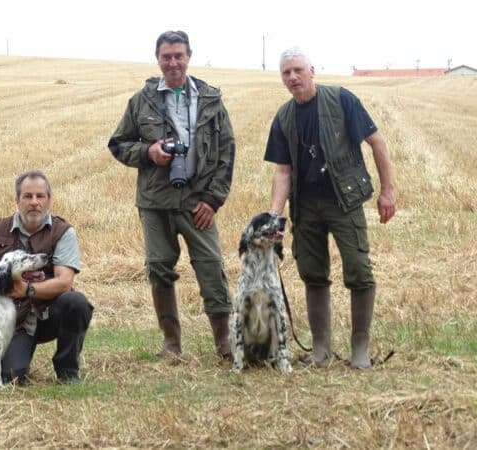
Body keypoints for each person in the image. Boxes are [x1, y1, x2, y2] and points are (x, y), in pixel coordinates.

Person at [264, 47, 396, 369]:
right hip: (306, 206)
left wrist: (387, 191)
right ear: (282, 79)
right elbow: (283, 172)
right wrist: (274, 216)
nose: (293, 77)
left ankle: (360, 350)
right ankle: (320, 350)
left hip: (343, 201)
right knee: (312, 272)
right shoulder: (283, 117)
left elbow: (377, 142)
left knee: (358, 270)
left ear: (312, 71)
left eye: (298, 70)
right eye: (286, 73)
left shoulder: (341, 100)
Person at [108, 30, 236, 358]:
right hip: (156, 201)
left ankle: (223, 342)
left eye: (179, 55)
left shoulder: (210, 98)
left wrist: (213, 199)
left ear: (189, 56)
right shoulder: (142, 100)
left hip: (198, 200)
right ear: (158, 59)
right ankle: (171, 343)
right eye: (167, 56)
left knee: (211, 266)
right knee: (159, 268)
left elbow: (226, 152)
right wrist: (148, 152)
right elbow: (118, 144)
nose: (173, 62)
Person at [0, 170, 94, 384]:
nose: (34, 202)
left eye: (40, 196)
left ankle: (67, 371)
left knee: (76, 303)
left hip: (48, 315)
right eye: (27, 196)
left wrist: (27, 289)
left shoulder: (63, 232)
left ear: (49, 200)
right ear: (17, 200)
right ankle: (10, 360)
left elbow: (64, 282)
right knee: (12, 378)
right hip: (12, 322)